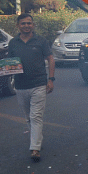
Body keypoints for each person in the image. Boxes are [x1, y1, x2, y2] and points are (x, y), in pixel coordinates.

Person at [8, 13, 55, 162]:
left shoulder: (40, 41)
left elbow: (50, 58)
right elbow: (10, 63)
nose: (26, 26)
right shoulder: (13, 43)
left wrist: (51, 79)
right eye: (23, 23)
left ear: (33, 25)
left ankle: (35, 148)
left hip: (39, 84)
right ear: (18, 26)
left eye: (29, 23)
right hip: (21, 86)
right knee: (29, 117)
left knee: (36, 116)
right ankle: (37, 139)